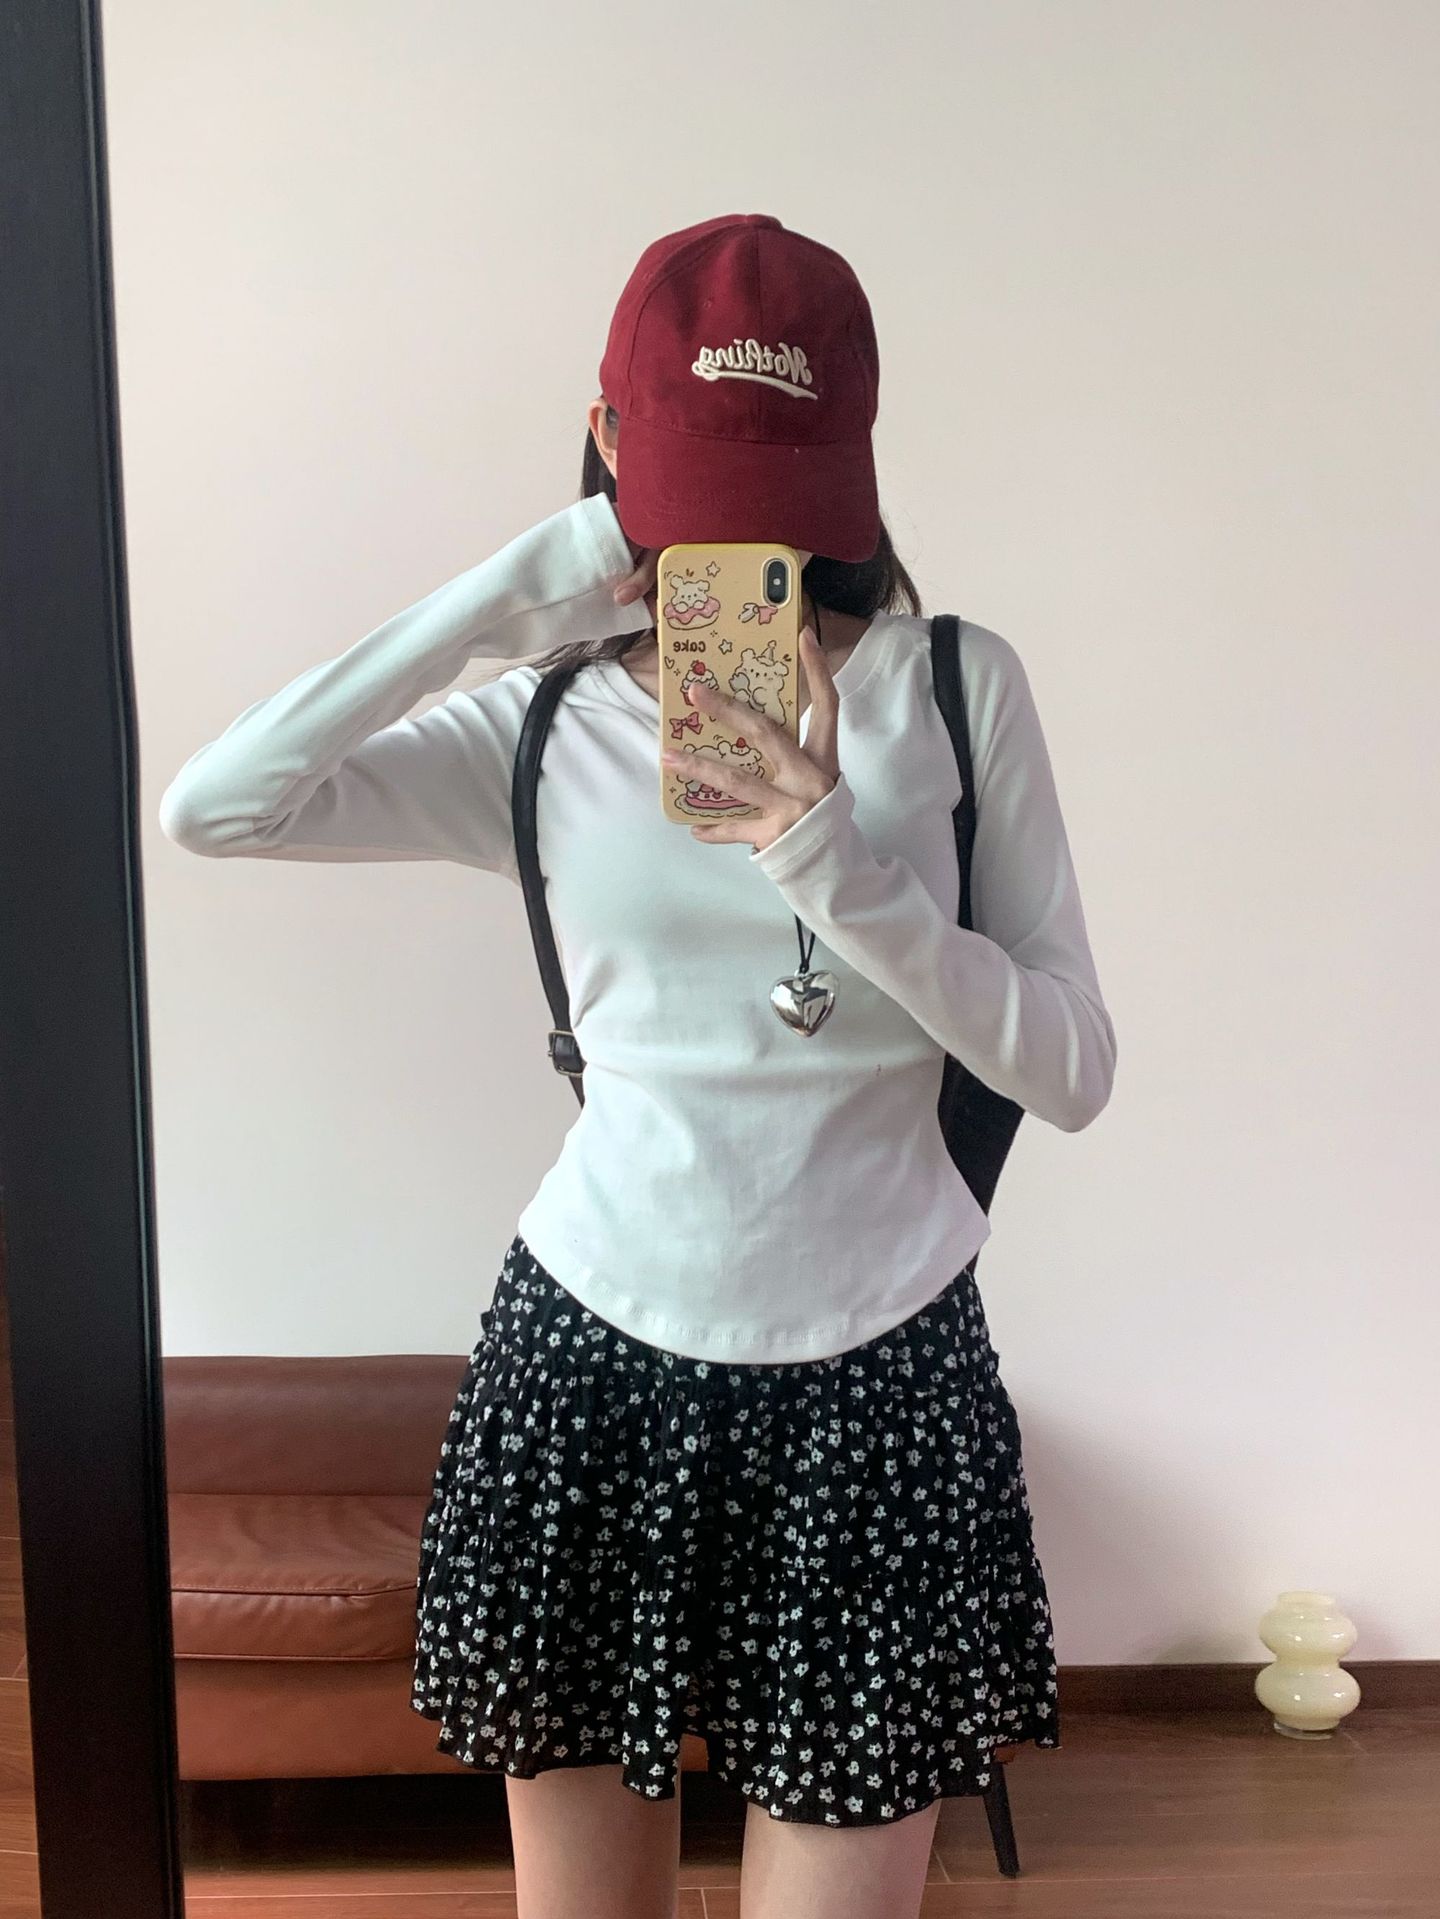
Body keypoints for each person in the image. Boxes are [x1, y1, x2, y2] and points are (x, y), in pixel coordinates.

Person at [159, 212, 1117, 1919]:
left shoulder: (961, 692)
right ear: (608, 441)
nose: (747, 534)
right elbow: (219, 807)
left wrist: (831, 860)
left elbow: (1070, 1065)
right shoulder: (543, 729)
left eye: (787, 483)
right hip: (591, 1366)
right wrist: (513, 590)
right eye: (702, 477)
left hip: (885, 1388)